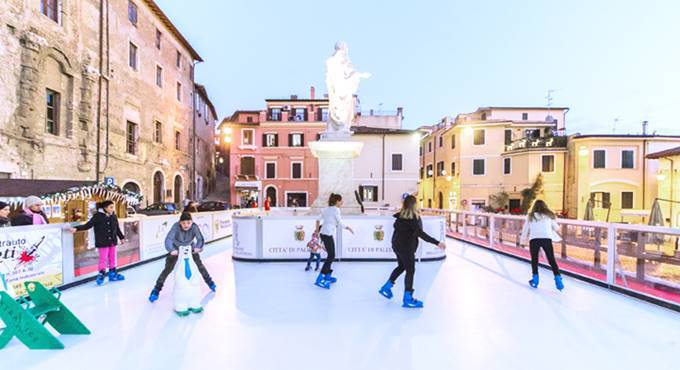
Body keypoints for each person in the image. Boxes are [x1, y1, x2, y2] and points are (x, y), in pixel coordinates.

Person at [378, 195, 446, 308]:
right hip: (406, 248)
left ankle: (387, 286)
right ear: (414, 205)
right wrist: (437, 243)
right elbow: (421, 234)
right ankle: (408, 298)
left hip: (397, 246)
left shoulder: (400, 216)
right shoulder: (413, 219)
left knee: (401, 266)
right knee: (410, 271)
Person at [149, 212, 216, 302]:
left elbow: (200, 239)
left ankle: (210, 282)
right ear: (180, 222)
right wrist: (171, 250)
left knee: (200, 266)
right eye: (183, 223)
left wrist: (198, 247)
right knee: (167, 269)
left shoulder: (194, 227)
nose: (186, 225)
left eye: (188, 223)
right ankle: (156, 289)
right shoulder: (175, 227)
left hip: (190, 248)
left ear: (191, 222)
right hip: (176, 249)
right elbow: (168, 239)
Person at [69, 200, 126, 285]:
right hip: (102, 242)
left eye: (113, 207)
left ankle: (112, 274)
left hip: (112, 241)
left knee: (112, 258)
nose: (112, 209)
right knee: (103, 259)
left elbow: (117, 228)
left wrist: (121, 237)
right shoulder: (98, 216)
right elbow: (88, 225)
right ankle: (101, 274)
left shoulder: (113, 216)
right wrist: (76, 228)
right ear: (105, 208)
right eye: (111, 207)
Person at [520, 200, 564, 290]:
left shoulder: (530, 216)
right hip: (546, 238)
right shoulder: (548, 216)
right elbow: (557, 228)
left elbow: (525, 230)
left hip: (534, 239)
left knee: (534, 260)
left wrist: (522, 241)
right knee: (551, 259)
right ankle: (558, 279)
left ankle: (535, 280)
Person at [314, 193, 354, 289]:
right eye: (341, 201)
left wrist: (317, 232)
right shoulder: (336, 210)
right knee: (331, 256)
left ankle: (328, 275)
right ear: (337, 201)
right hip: (327, 234)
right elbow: (340, 222)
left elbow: (317, 219)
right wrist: (348, 228)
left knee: (331, 255)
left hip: (324, 234)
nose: (342, 202)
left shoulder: (326, 209)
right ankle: (320, 278)